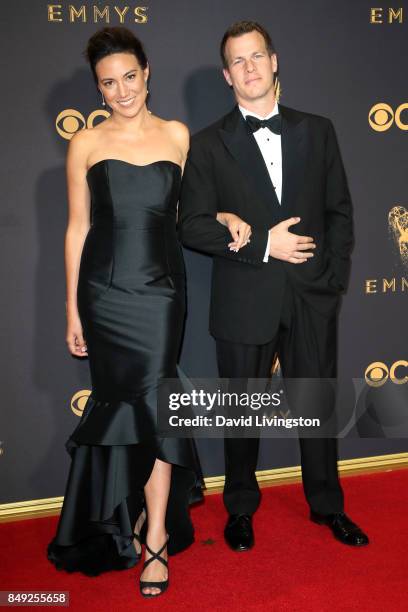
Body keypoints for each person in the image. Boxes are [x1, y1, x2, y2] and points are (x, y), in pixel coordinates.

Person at [179, 20, 368, 552]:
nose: (249, 68)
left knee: (317, 406)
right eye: (237, 61)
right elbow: (191, 225)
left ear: (275, 60)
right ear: (226, 75)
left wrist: (329, 285)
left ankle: (328, 505)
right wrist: (264, 243)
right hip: (244, 299)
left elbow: (340, 213)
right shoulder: (208, 145)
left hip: (311, 296)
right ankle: (240, 508)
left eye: (256, 56)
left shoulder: (319, 129)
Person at [47, 26, 203, 598]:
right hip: (105, 294)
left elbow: (193, 216)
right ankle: (121, 519)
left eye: (129, 78)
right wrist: (71, 308)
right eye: (108, 83)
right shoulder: (85, 144)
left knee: (160, 408)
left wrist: (233, 222)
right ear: (97, 88)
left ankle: (156, 535)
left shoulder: (178, 135)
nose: (121, 91)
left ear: (147, 73)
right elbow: (76, 229)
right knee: (121, 410)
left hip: (162, 292)